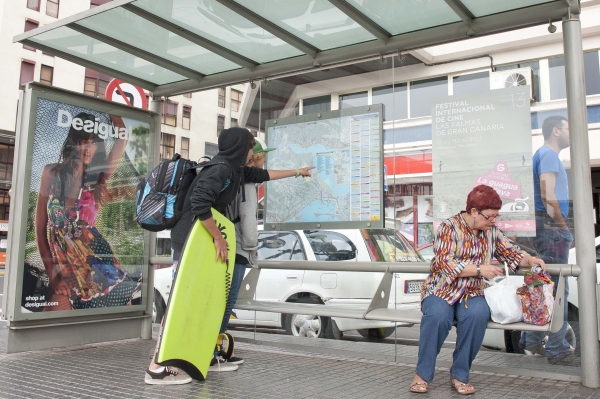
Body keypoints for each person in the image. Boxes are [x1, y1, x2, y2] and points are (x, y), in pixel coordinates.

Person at [145, 128, 313, 385]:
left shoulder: (234, 170)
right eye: (250, 146)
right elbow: (200, 202)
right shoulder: (220, 169)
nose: (252, 152)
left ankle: (194, 356)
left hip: (199, 240)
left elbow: (265, 174)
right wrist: (219, 237)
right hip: (189, 239)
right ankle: (157, 366)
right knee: (181, 300)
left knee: (197, 301)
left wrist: (297, 172)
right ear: (239, 147)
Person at [409, 185, 545, 395]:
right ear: (473, 211)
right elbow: (446, 264)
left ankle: (460, 374)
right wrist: (481, 269)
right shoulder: (449, 228)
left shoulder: (491, 231)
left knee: (477, 315)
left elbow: (512, 253)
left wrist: (531, 259)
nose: (493, 221)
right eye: (489, 216)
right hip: (441, 289)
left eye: (496, 216)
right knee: (437, 316)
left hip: (473, 291)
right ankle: (422, 374)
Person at [35, 112, 138, 311]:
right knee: (48, 321)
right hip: (67, 271)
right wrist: (53, 277)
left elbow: (122, 137)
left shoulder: (99, 177)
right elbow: (40, 230)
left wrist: (111, 107)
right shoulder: (51, 173)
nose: (87, 148)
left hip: (97, 265)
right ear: (73, 143)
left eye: (92, 142)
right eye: (82, 141)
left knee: (108, 328)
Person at [520, 116, 578, 366]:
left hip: (543, 228)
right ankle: (556, 346)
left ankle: (531, 339)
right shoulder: (549, 155)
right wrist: (564, 228)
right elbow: (547, 193)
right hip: (551, 228)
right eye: (567, 129)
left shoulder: (541, 154)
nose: (570, 134)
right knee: (557, 288)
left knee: (541, 283)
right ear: (556, 131)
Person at [217, 137, 277, 366]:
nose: (266, 159)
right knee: (227, 301)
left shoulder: (234, 176)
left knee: (221, 300)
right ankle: (213, 352)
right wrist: (252, 248)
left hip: (226, 240)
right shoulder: (249, 185)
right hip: (239, 247)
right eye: (264, 155)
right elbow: (250, 222)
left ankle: (211, 349)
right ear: (258, 157)